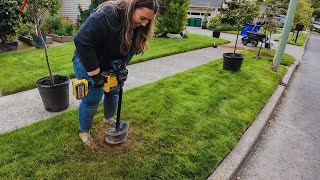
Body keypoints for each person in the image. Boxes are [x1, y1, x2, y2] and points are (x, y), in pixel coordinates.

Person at [73, 0, 159, 147]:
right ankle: (84, 132)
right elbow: (81, 41)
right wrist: (95, 75)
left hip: (110, 63)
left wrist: (122, 66)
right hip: (88, 62)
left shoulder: (137, 25)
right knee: (93, 98)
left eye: (148, 20)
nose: (145, 24)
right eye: (143, 18)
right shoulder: (107, 15)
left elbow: (132, 47)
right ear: (132, 8)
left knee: (114, 92)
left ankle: (108, 118)